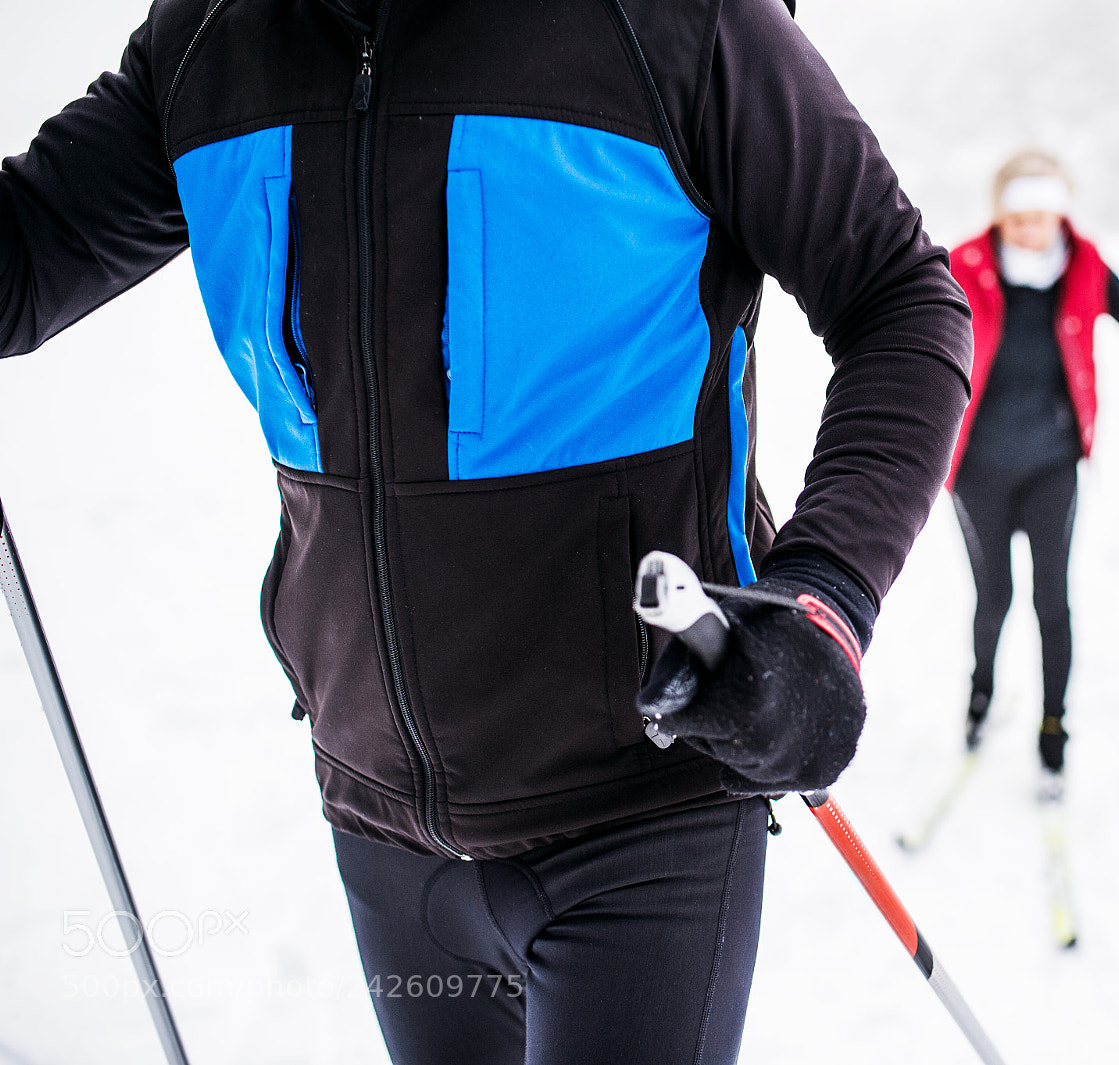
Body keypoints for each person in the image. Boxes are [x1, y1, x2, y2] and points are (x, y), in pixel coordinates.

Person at [0, 1, 972, 1062]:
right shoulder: (210, 40)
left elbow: (901, 298)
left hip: (642, 809)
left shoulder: (676, 24)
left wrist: (824, 596)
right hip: (378, 819)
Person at [945, 149, 1119, 790]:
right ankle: (980, 699)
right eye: (1018, 217)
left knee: (1052, 600)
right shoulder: (967, 264)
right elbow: (921, 321)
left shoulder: (1087, 264)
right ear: (1001, 214)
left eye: (1042, 216)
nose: (1030, 229)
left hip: (1053, 464)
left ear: (1059, 215)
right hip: (977, 466)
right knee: (993, 599)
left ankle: (1053, 727)